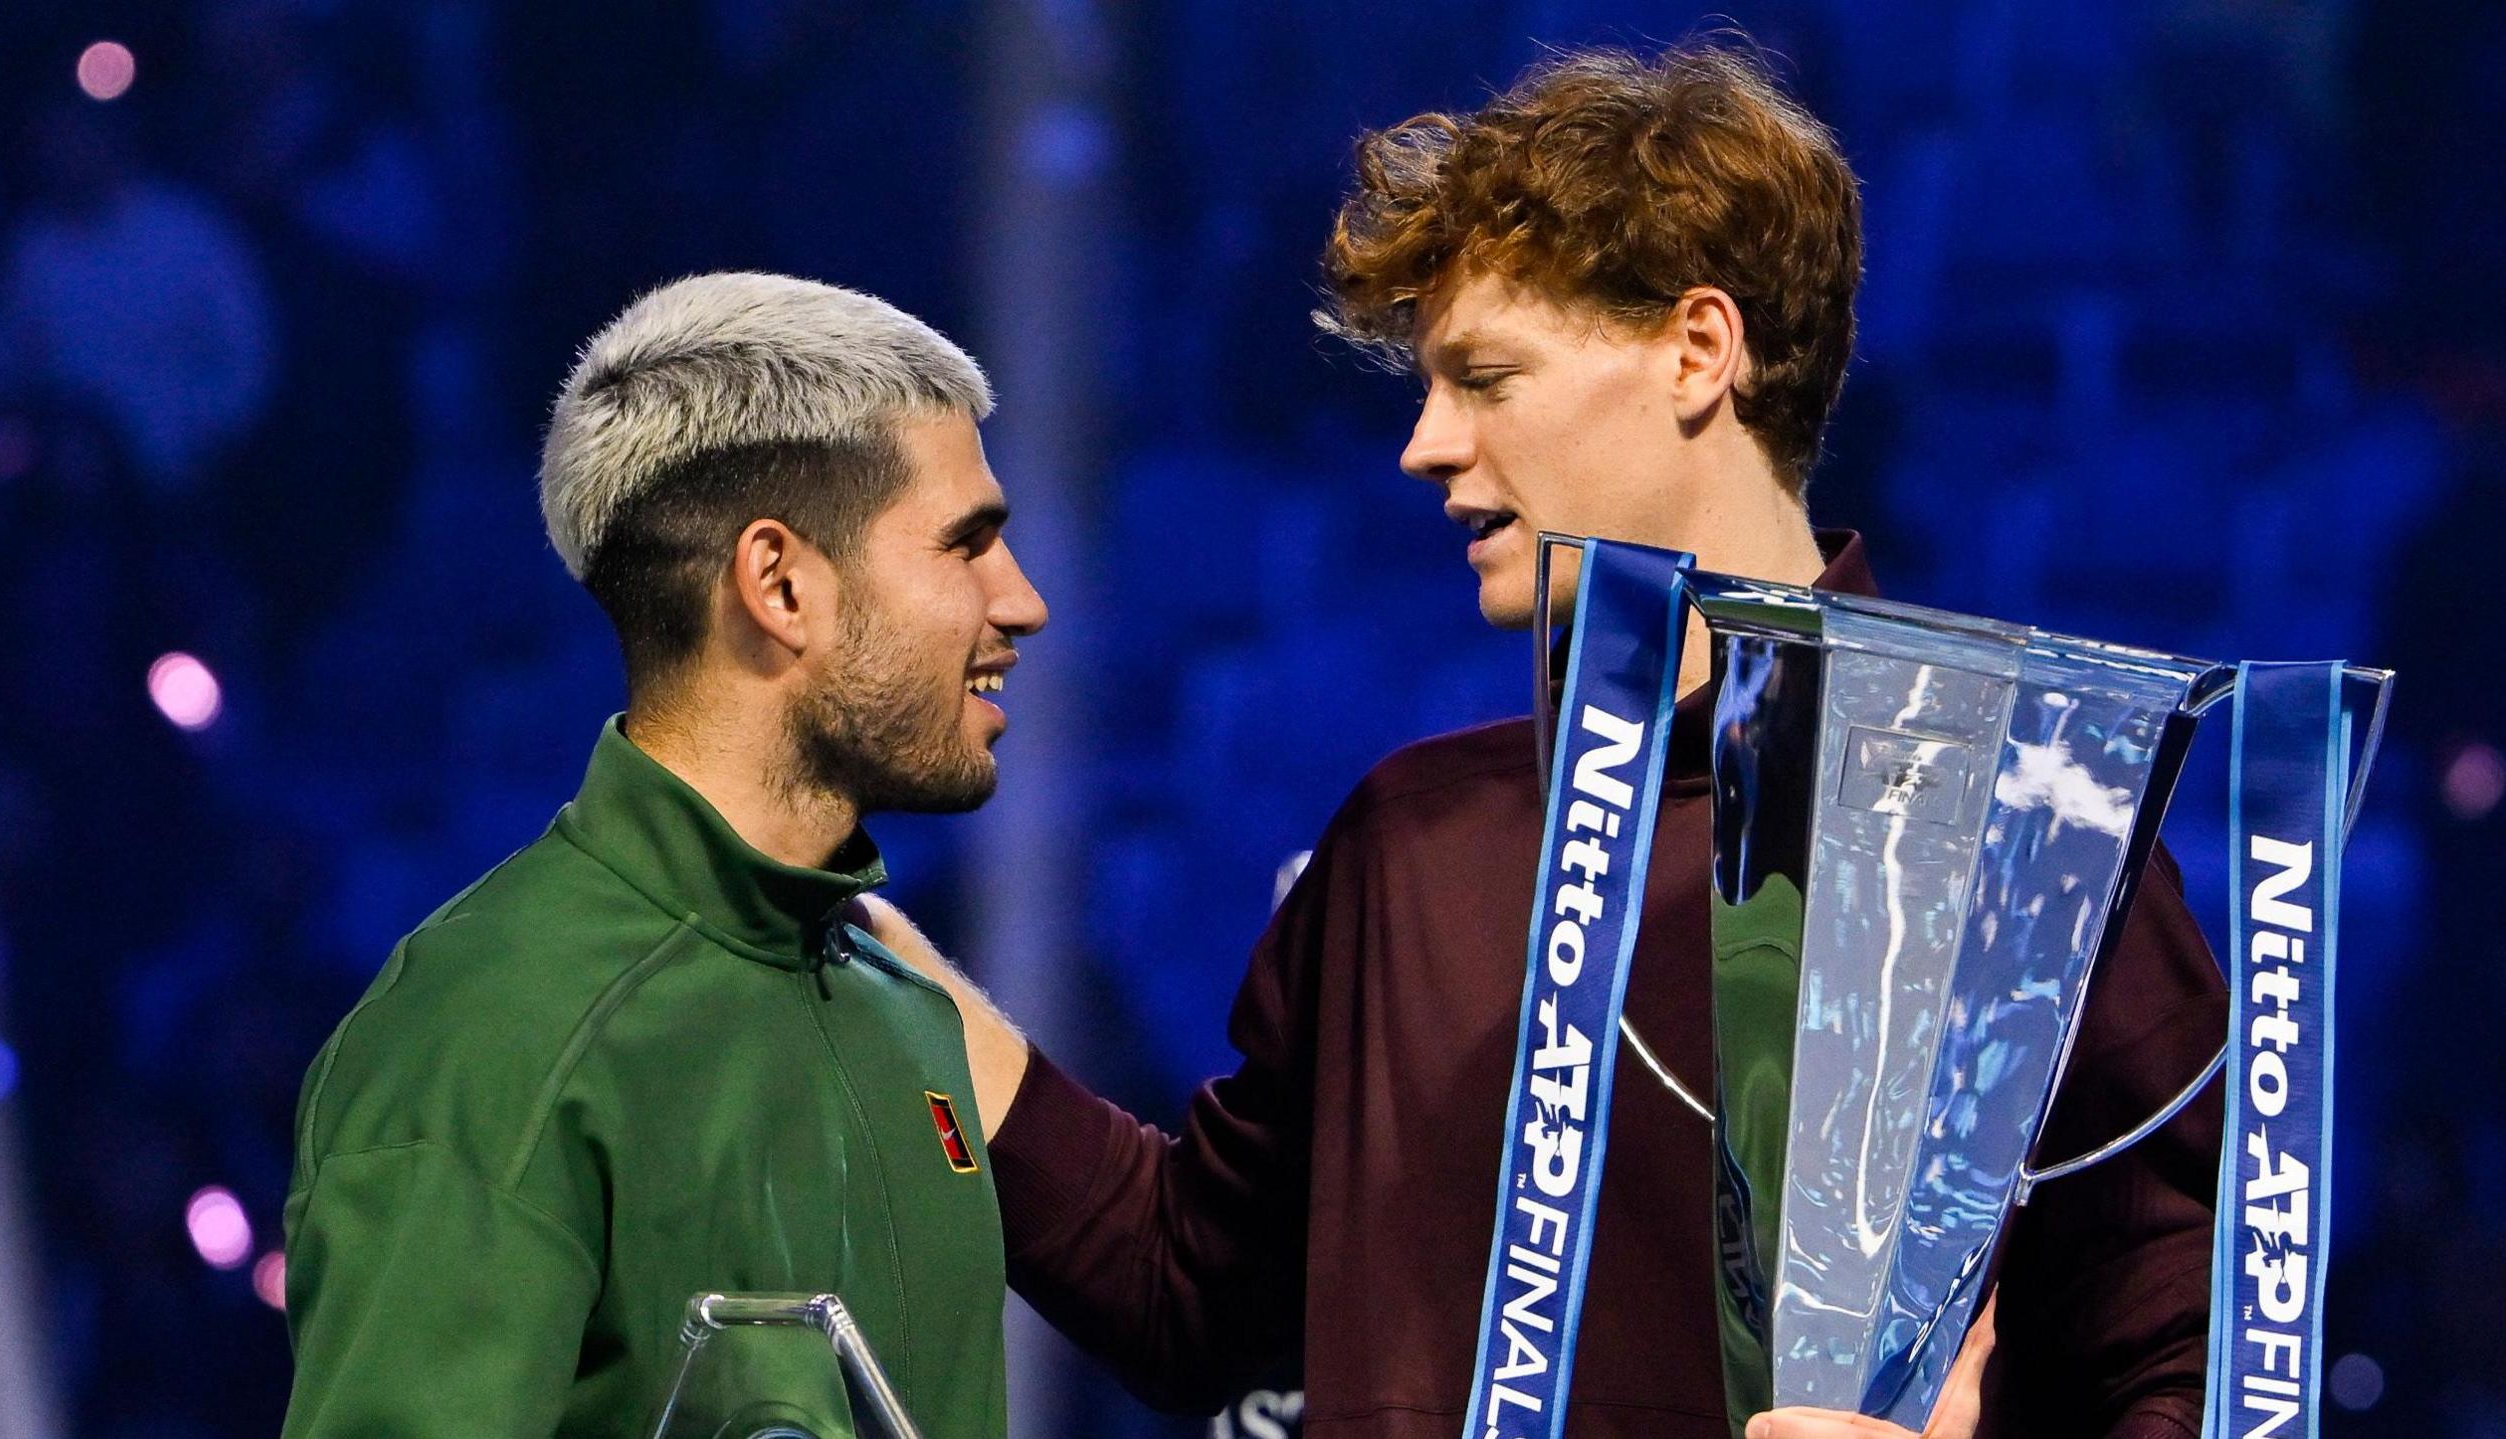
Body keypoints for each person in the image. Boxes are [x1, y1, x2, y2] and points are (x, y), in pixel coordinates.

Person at [873, 44, 2222, 1439]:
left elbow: (2190, 1369)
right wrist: (846, 930)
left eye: (1485, 376)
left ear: (1698, 350)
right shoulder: (1411, 846)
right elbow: (1187, 1291)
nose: (1425, 444)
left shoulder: (2023, 817)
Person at [279, 272, 1047, 1438]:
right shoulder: (487, 1038)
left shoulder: (907, 1014)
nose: (1023, 600)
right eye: (968, 542)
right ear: (780, 582)